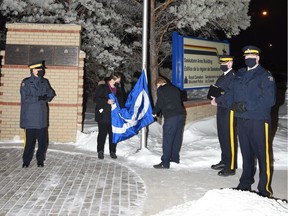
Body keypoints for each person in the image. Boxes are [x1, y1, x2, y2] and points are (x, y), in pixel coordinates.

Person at [211, 45, 276, 197]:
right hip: (242, 120)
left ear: (258, 58)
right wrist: (220, 101)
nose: (248, 59)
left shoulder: (265, 75)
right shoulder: (239, 74)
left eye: (251, 56)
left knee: (262, 155)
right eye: (246, 57)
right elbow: (231, 93)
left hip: (259, 120)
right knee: (246, 153)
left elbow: (269, 99)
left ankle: (264, 190)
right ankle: (245, 184)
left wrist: (246, 106)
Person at [20, 60, 56, 168]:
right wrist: (39, 97)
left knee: (42, 142)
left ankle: (40, 160)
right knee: (29, 142)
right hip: (30, 117)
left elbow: (51, 93)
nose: (40, 71)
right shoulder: (26, 82)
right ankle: (26, 161)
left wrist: (47, 96)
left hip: (41, 117)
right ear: (32, 70)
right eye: (37, 69)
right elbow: (25, 98)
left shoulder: (44, 81)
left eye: (41, 69)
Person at [209, 55, 237, 177]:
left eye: (224, 63)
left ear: (230, 64)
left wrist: (218, 100)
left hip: (229, 110)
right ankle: (224, 161)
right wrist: (213, 97)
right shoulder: (223, 76)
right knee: (222, 136)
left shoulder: (233, 77)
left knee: (229, 138)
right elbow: (220, 90)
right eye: (221, 63)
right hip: (221, 109)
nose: (222, 65)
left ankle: (230, 166)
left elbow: (232, 95)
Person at [152, 76, 185, 169]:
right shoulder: (175, 88)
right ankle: (175, 158)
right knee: (177, 137)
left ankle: (165, 163)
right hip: (181, 115)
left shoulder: (161, 90)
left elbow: (160, 103)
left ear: (158, 84)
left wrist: (154, 112)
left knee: (167, 139)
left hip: (171, 117)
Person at [94, 72, 125, 159]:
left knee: (113, 134)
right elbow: (96, 98)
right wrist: (106, 101)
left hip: (114, 116)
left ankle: (112, 151)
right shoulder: (102, 87)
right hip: (103, 114)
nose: (118, 83)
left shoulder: (118, 89)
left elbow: (122, 101)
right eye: (117, 81)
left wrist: (122, 111)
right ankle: (100, 151)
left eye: (119, 82)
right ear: (112, 80)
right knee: (102, 134)